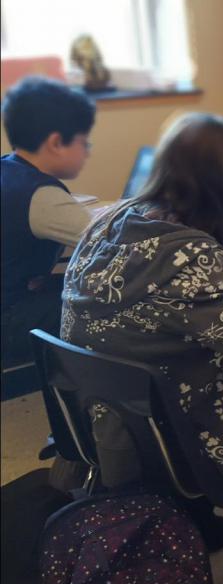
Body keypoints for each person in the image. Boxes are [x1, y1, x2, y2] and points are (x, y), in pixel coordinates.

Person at [60, 113, 223, 551]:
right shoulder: (191, 257)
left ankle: (187, 515)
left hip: (97, 422)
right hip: (172, 444)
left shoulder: (107, 223)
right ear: (220, 192)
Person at [1, 77, 95, 370]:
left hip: (12, 298)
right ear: (56, 142)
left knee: (67, 283)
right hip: (10, 321)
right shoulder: (42, 196)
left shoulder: (8, 168)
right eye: (83, 142)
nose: (87, 151)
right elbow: (113, 240)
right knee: (109, 300)